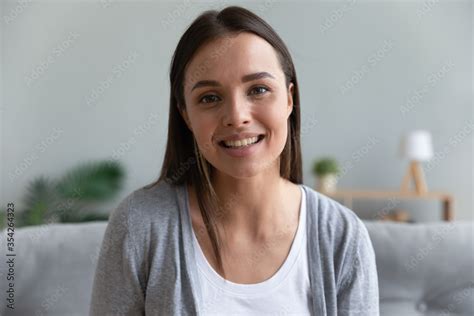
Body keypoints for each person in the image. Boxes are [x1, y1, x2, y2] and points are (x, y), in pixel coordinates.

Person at [89, 5, 379, 316]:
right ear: (186, 114)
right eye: (210, 98)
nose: (237, 117)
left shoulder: (341, 235)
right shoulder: (139, 225)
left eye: (259, 89)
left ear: (290, 99)